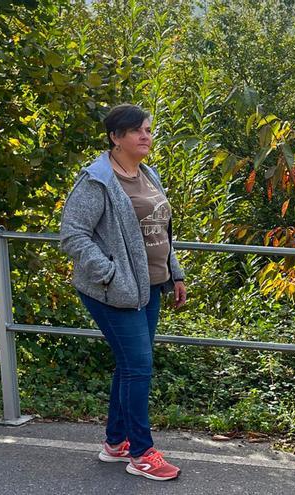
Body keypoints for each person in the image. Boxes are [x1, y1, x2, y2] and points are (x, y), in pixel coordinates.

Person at [60, 103, 187, 481]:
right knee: (139, 367)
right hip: (114, 291)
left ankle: (116, 444)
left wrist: (174, 274)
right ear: (116, 138)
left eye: (148, 129)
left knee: (131, 366)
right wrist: (110, 274)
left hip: (149, 287)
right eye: (137, 131)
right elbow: (72, 234)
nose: (146, 137)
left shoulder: (149, 174)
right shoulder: (97, 180)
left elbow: (162, 230)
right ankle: (141, 452)